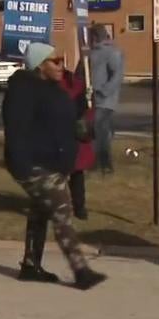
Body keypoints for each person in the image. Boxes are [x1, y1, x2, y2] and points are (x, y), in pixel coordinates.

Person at [2, 42, 107, 290]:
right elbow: (16, 131)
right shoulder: (23, 92)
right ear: (40, 65)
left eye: (62, 60)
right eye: (55, 61)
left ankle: (30, 266)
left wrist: (85, 125)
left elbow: (66, 124)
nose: (61, 65)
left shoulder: (54, 90)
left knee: (40, 213)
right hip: (34, 164)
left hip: (53, 162)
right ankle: (81, 271)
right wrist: (22, 165)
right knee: (62, 212)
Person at [56, 58, 95, 220]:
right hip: (57, 136)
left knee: (77, 175)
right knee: (58, 175)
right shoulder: (47, 85)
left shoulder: (75, 84)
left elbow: (85, 110)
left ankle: (79, 207)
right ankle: (59, 207)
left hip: (74, 135)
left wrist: (88, 100)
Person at [88, 25, 123, 174]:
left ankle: (105, 165)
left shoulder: (112, 52)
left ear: (95, 37)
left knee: (99, 129)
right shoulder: (91, 53)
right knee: (99, 131)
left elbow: (117, 75)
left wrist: (104, 91)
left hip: (105, 100)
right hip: (92, 99)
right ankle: (97, 163)